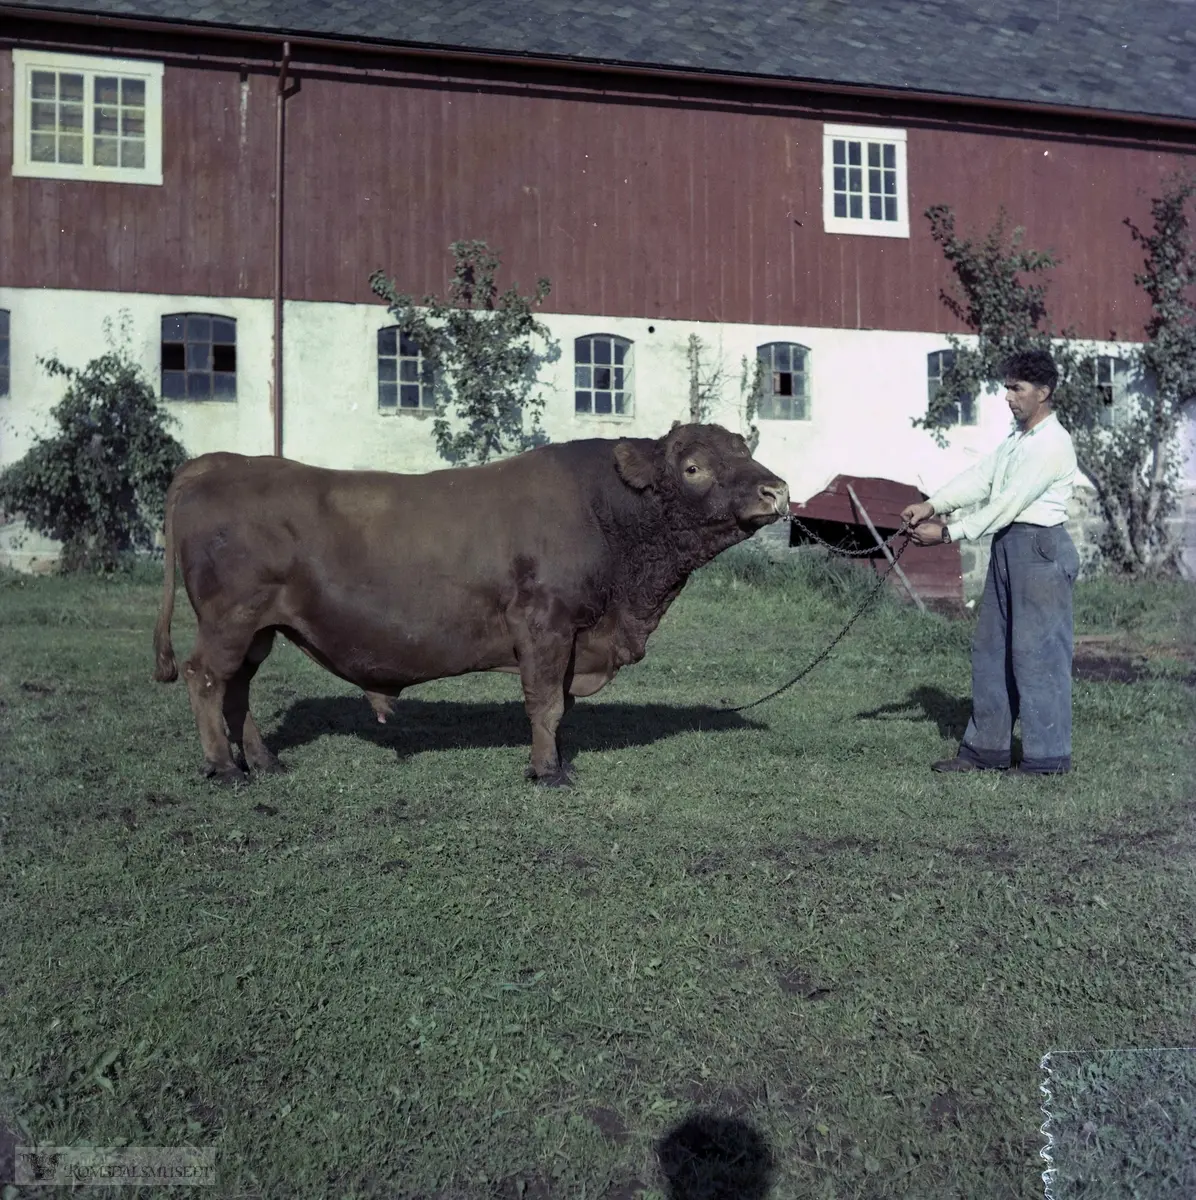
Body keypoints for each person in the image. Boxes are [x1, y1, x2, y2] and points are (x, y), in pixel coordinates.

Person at [901, 349, 1080, 775]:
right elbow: (983, 478)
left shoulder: (1052, 443)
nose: (1008, 397)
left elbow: (1006, 503)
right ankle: (986, 751)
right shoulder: (1018, 440)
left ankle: (1046, 759)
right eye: (1006, 388)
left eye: (1017, 389)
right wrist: (932, 505)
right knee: (991, 651)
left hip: (1040, 551)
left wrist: (946, 533)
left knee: (1037, 656)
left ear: (1044, 392)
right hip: (1008, 547)